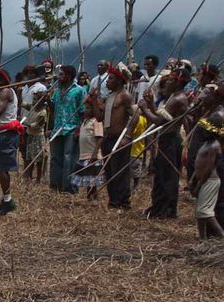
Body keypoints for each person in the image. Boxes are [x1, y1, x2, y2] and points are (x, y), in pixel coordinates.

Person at [140, 70, 189, 219]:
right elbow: (163, 116)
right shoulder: (173, 97)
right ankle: (158, 207)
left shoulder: (177, 99)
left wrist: (145, 109)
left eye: (170, 80)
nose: (166, 82)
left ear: (178, 82)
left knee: (168, 177)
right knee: (161, 174)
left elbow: (159, 122)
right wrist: (150, 104)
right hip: (166, 139)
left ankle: (166, 210)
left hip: (171, 140)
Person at [98, 63, 135, 210]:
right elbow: (100, 117)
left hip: (120, 138)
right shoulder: (109, 96)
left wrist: (127, 136)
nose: (107, 81)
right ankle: (113, 201)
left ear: (119, 81)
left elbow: (135, 115)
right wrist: (94, 101)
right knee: (109, 171)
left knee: (120, 171)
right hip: (108, 138)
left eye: (111, 78)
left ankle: (123, 202)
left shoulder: (125, 96)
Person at [0, 68, 22, 215]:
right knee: (1, 168)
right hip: (3, 133)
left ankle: (8, 200)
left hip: (8, 134)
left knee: (2, 168)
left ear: (1, 80)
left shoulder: (5, 92)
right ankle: (6, 199)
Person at [49, 65, 87, 194]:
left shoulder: (79, 91)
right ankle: (55, 185)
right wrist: (45, 99)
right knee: (55, 157)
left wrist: (79, 129)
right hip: (57, 128)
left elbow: (83, 112)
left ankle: (69, 187)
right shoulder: (57, 90)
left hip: (72, 128)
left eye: (61, 75)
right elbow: (53, 106)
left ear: (69, 76)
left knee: (69, 158)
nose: (58, 77)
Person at [188, 113, 224, 239]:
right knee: (199, 213)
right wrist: (193, 179)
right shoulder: (206, 144)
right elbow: (199, 166)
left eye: (207, 129)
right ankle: (202, 239)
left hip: (209, 181)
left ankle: (222, 235)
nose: (203, 132)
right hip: (202, 180)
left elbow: (208, 169)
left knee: (205, 212)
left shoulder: (214, 146)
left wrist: (198, 185)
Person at [71, 100, 104, 200]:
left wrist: (94, 153)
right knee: (88, 177)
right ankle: (89, 196)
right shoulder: (84, 122)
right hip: (83, 154)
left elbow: (99, 138)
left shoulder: (96, 122)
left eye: (89, 108)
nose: (86, 110)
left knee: (92, 178)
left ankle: (93, 196)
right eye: (85, 108)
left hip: (92, 155)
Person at [24, 89, 48, 183]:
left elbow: (37, 125)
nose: (34, 101)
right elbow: (22, 104)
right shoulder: (31, 107)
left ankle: (38, 178)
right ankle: (29, 177)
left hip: (38, 137)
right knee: (29, 158)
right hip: (30, 135)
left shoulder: (43, 112)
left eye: (36, 100)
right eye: (33, 99)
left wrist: (27, 124)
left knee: (38, 159)